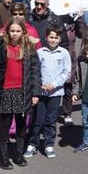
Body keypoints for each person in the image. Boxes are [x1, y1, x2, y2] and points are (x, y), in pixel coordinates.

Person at [0, 18, 42, 170]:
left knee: (21, 124)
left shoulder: (29, 48)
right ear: (7, 32)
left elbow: (35, 72)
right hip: (5, 91)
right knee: (4, 124)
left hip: (23, 91)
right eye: (12, 31)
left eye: (18, 31)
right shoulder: (0, 47)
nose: (15, 34)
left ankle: (18, 153)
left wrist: (36, 93)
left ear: (23, 32)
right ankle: (4, 157)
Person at [26, 25, 70, 159]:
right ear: (46, 38)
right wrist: (39, 85)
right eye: (51, 37)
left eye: (56, 38)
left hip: (55, 93)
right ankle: (33, 143)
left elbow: (66, 72)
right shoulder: (40, 52)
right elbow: (35, 70)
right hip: (40, 92)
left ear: (60, 39)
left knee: (51, 119)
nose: (53, 40)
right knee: (37, 119)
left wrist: (54, 84)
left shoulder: (64, 53)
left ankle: (48, 143)